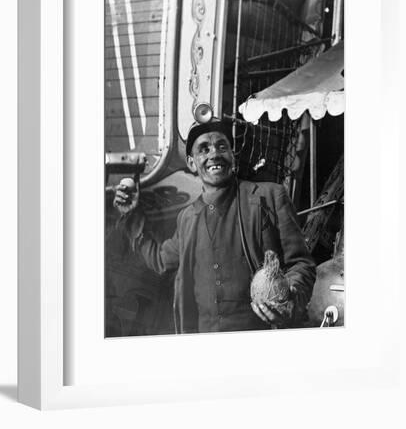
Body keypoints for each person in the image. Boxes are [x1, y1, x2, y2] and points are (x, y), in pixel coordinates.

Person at [113, 118, 316, 334]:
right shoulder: (187, 218)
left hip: (260, 337)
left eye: (222, 146)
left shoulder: (270, 196)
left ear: (232, 156)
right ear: (192, 163)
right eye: (204, 149)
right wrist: (132, 215)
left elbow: (301, 264)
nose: (214, 154)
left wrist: (289, 301)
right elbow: (161, 260)